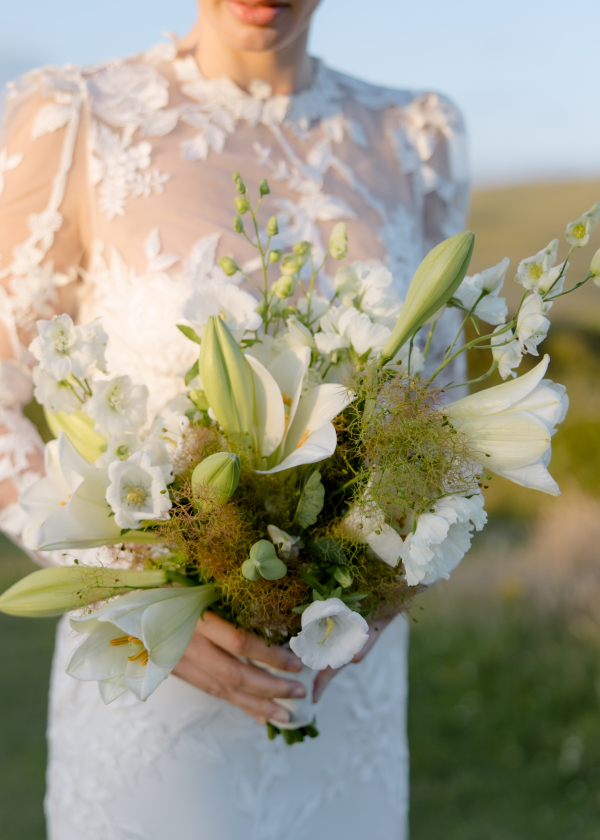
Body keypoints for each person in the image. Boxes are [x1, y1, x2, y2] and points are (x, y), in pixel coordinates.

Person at [0, 1, 468, 837]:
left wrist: (390, 586)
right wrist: (135, 596)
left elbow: (445, 415)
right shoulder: (75, 119)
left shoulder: (416, 137)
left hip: (343, 677)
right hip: (149, 683)